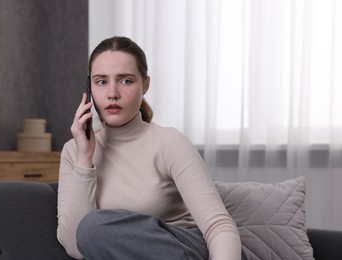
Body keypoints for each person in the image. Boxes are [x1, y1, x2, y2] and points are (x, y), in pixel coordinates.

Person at [57, 36, 244, 260]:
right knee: (92, 228)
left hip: (191, 251)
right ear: (89, 89)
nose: (112, 93)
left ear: (145, 85)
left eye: (125, 81)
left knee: (93, 227)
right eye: (101, 81)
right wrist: (85, 159)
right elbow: (75, 245)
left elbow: (218, 225)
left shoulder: (169, 142)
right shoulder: (73, 152)